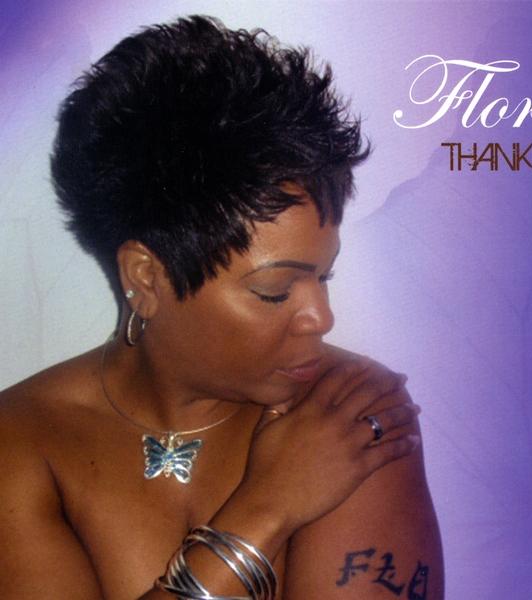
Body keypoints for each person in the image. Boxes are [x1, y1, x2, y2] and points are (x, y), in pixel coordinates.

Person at [0, 15, 443, 600]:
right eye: (275, 291)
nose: (321, 318)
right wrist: (267, 508)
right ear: (146, 278)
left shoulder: (352, 414)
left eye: (324, 275)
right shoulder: (21, 440)